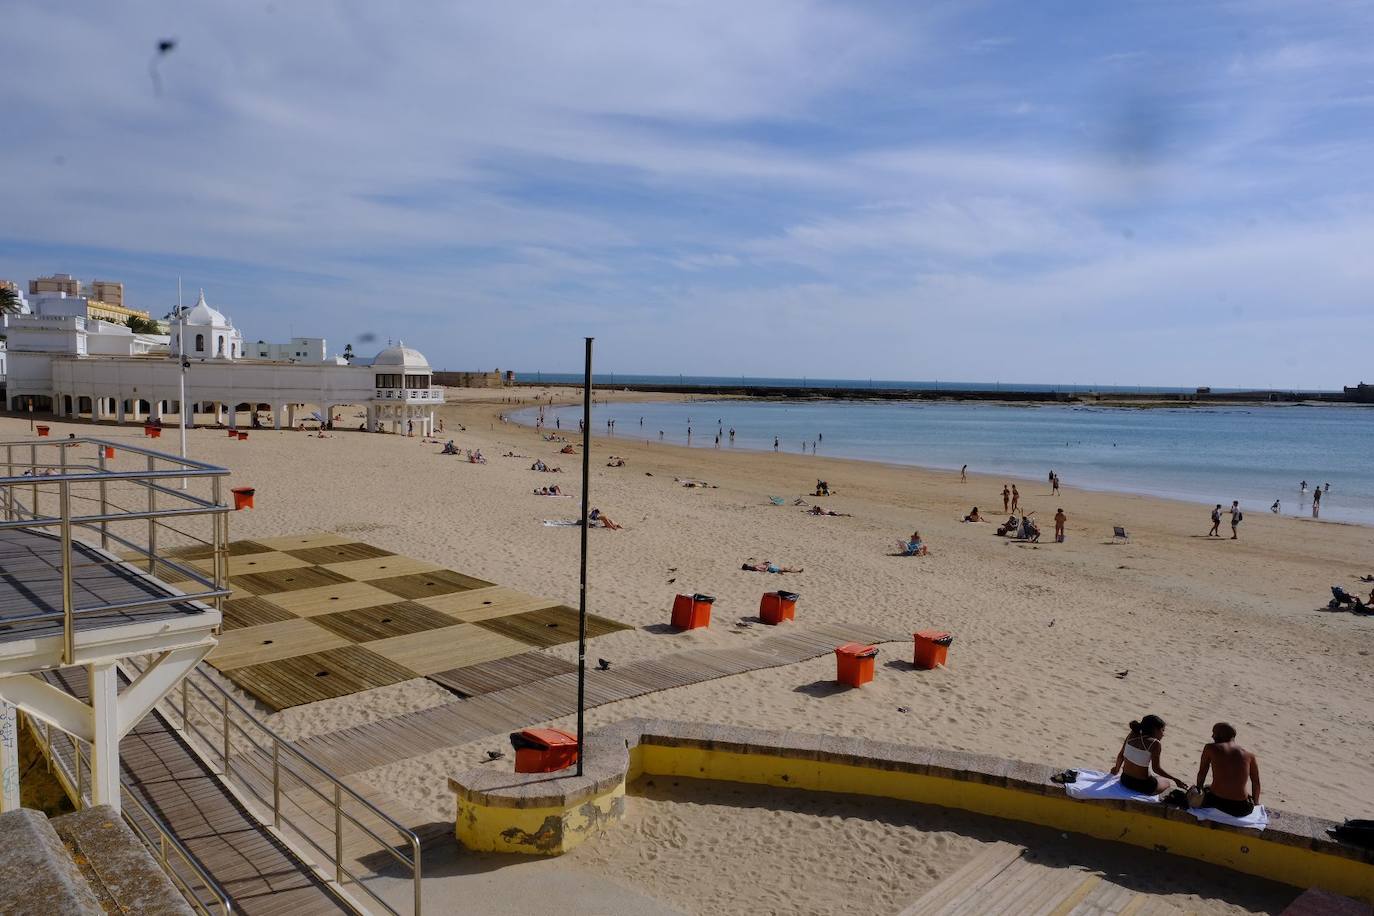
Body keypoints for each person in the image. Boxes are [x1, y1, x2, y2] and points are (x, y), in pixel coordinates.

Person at [1194, 723, 1260, 818]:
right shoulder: (1249, 755)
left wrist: (1199, 792)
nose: (1212, 736)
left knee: (1207, 788)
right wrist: (1256, 802)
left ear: (1222, 735)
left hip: (1216, 802)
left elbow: (1202, 773)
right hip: (1241, 809)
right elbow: (1256, 782)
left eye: (1214, 733)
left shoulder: (1210, 748)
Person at [1111, 715, 1187, 796]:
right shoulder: (1155, 743)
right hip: (1144, 785)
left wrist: (1116, 769)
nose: (1163, 734)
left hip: (1125, 780)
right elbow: (1156, 769)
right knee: (1166, 782)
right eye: (1162, 730)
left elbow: (1121, 755)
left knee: (1156, 778)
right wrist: (1175, 779)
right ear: (1155, 729)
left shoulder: (1132, 735)